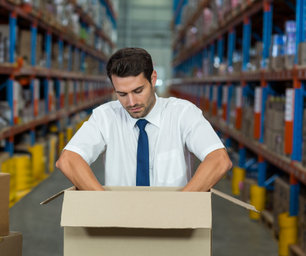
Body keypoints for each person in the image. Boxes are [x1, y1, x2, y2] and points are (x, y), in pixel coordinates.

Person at [56, 48, 232, 191]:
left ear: (153, 79)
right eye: (122, 94)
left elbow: (218, 160)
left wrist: (181, 208)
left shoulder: (182, 113)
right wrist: (104, 205)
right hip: (121, 219)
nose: (131, 102)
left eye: (138, 91)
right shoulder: (105, 116)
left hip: (172, 220)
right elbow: (68, 160)